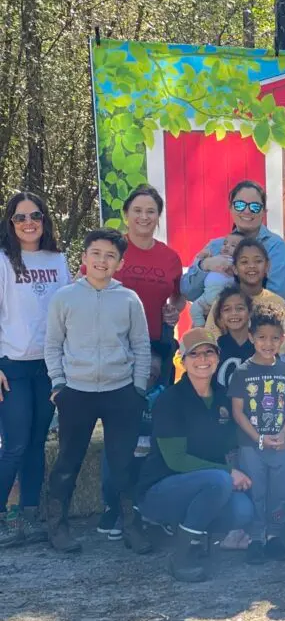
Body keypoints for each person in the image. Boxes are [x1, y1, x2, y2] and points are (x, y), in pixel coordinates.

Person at [44, 229, 152, 553]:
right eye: (96, 253)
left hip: (121, 392)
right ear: (84, 257)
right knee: (68, 461)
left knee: (123, 463)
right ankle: (57, 526)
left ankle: (130, 525)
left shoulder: (129, 299)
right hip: (76, 392)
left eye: (110, 256)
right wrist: (58, 384)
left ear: (120, 262)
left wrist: (138, 389)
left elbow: (141, 346)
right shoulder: (65, 297)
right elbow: (52, 344)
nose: (102, 261)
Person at [136, 328, 256, 582]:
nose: (202, 360)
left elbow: (234, 442)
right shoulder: (171, 399)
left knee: (243, 511)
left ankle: (197, 533)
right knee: (220, 481)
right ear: (183, 361)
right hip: (161, 489)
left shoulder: (224, 396)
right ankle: (181, 556)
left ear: (218, 357)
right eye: (195, 355)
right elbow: (176, 460)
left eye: (208, 353)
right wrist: (228, 472)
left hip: (206, 486)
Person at [0, 192, 72, 547]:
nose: (28, 223)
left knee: (36, 444)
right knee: (14, 444)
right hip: (11, 365)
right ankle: (4, 517)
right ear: (10, 223)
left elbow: (66, 312)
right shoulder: (2, 261)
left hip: (49, 366)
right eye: (19, 217)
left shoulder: (58, 260)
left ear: (45, 221)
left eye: (35, 216)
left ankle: (28, 514)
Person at [227, 304, 285, 564]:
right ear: (251, 337)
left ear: (282, 338)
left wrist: (284, 433)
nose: (268, 343)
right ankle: (256, 538)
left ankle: (275, 537)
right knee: (256, 490)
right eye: (261, 337)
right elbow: (238, 412)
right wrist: (259, 438)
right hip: (251, 446)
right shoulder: (242, 372)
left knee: (280, 491)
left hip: (281, 445)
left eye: (274, 338)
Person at [91, 186, 185, 375]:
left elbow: (179, 297)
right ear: (126, 214)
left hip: (155, 348)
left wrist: (173, 311)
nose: (144, 217)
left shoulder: (170, 257)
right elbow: (79, 288)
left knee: (151, 401)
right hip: (110, 347)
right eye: (137, 210)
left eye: (151, 211)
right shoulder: (109, 249)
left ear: (158, 217)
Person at [96, 348, 166, 541]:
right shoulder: (119, 392)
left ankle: (143, 510)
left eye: (155, 369)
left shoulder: (163, 395)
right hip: (126, 444)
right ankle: (115, 508)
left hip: (151, 445)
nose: (150, 371)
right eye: (147, 367)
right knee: (113, 455)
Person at [182, 180, 285, 300]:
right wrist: (205, 265)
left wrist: (228, 311)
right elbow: (188, 292)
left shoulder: (275, 247)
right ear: (230, 208)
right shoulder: (216, 246)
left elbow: (275, 298)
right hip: (213, 316)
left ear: (264, 212)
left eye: (254, 207)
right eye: (240, 205)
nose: (246, 211)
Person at [204, 237, 285, 353]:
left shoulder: (278, 303)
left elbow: (282, 348)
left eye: (258, 261)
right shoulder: (223, 301)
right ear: (234, 268)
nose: (251, 266)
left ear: (267, 266)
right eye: (244, 262)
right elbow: (210, 341)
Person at [189, 232, 243, 326]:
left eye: (233, 245)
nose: (226, 247)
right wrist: (202, 256)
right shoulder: (215, 257)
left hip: (222, 296)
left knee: (218, 318)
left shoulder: (236, 262)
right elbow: (195, 268)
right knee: (194, 309)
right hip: (207, 294)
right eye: (225, 243)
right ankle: (200, 327)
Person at [209, 287, 255, 389]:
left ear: (250, 313)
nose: (234, 313)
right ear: (220, 316)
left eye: (240, 308)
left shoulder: (262, 347)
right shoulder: (215, 350)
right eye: (227, 309)